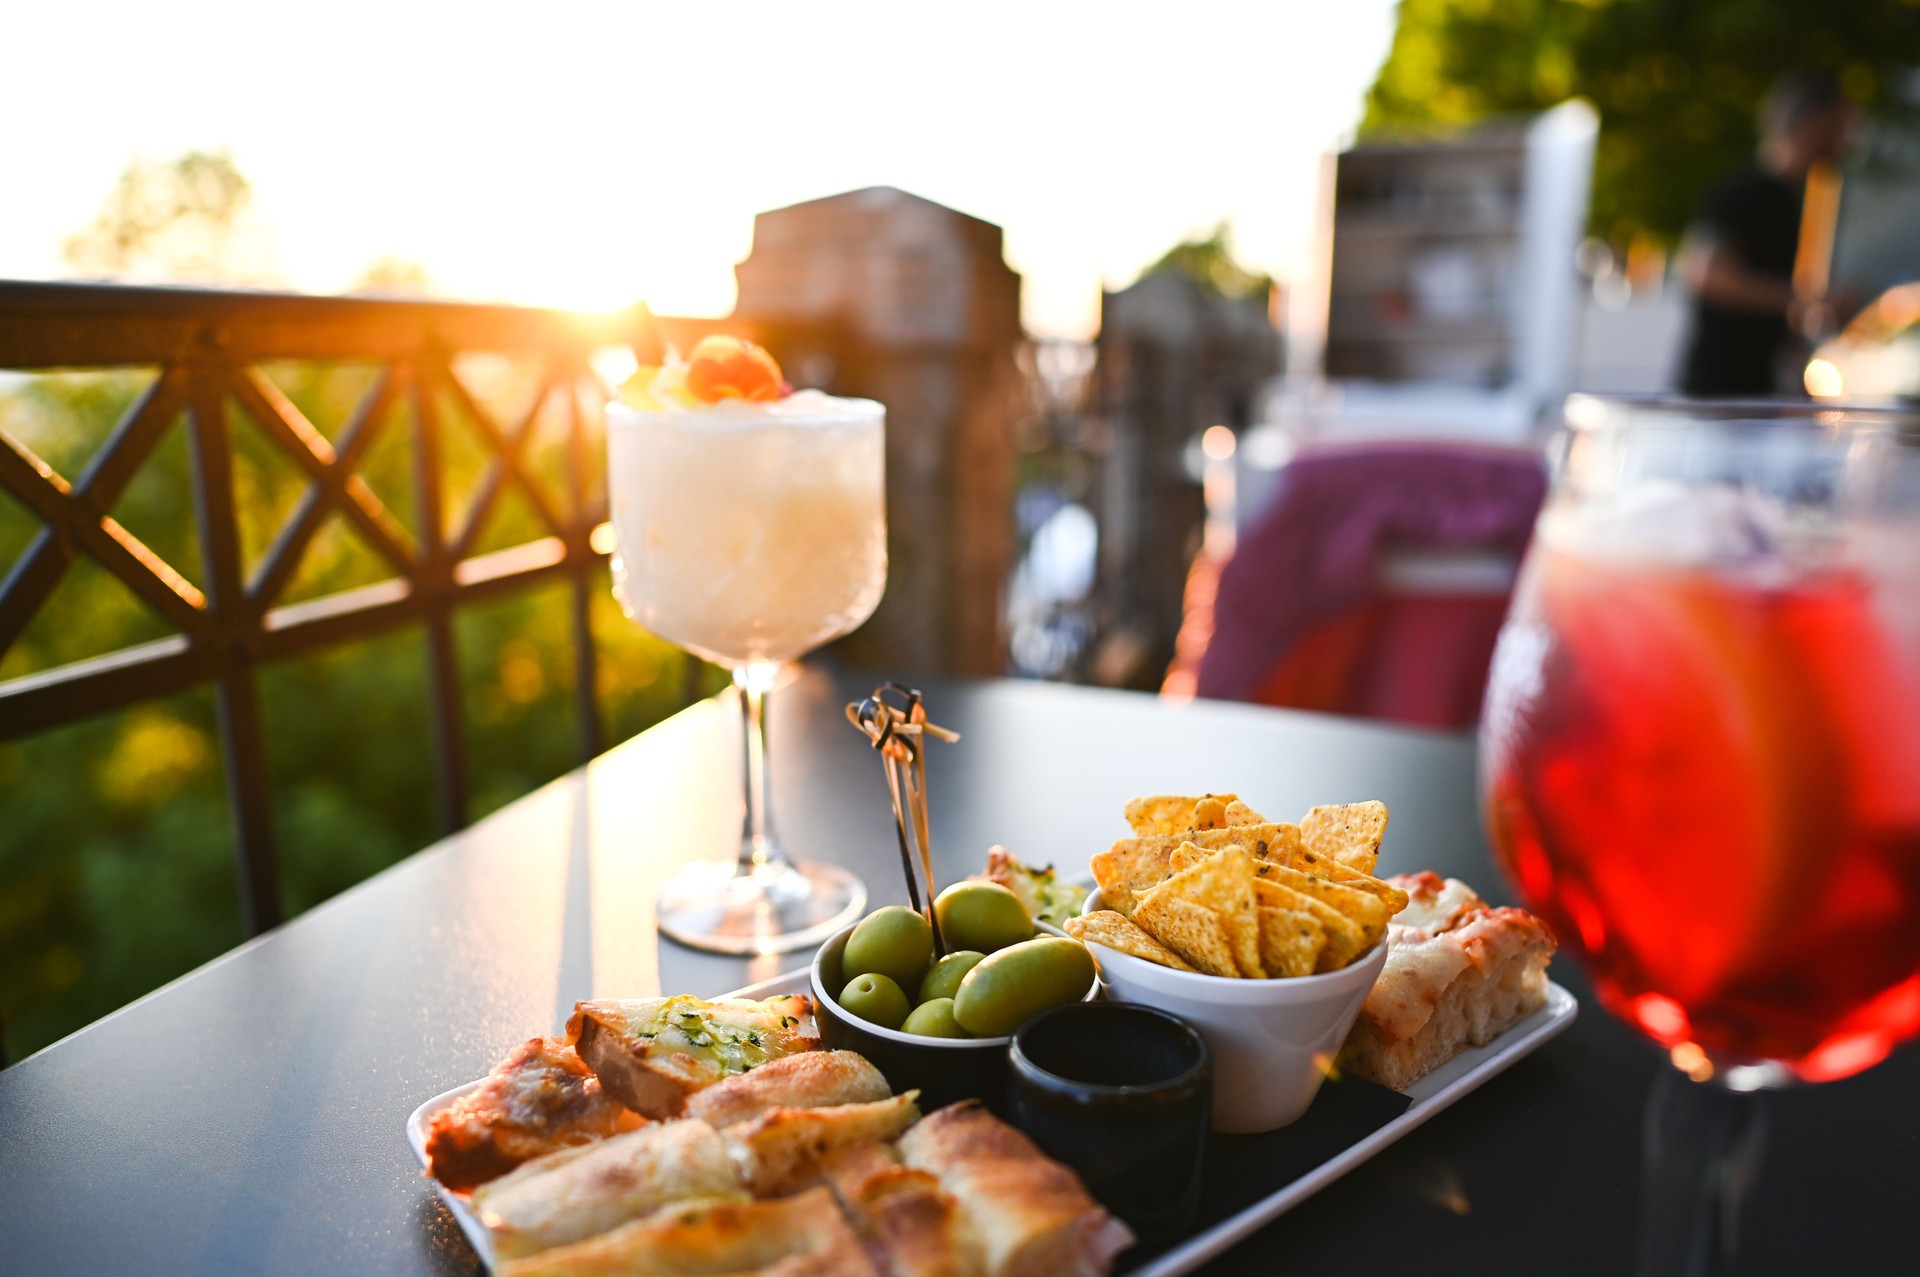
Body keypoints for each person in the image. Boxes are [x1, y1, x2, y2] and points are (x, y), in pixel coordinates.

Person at [1678, 72, 1856, 397]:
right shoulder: (1744, 193)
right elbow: (1708, 275)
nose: (1846, 140)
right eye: (1840, 126)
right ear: (1813, 123)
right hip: (1722, 394)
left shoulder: (1792, 198)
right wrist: (1804, 300)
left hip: (1756, 390)